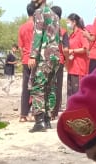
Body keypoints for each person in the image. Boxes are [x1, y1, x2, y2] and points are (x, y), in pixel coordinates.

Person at [27, 0, 62, 133]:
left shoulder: (39, 12)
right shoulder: (54, 14)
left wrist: (33, 55)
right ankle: (47, 120)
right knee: (50, 86)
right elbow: (57, 36)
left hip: (44, 54)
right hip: (55, 55)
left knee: (38, 86)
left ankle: (39, 121)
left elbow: (38, 34)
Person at [65, 13, 90, 100]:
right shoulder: (71, 35)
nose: (67, 24)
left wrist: (73, 51)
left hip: (79, 67)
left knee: (77, 92)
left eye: (68, 22)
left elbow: (85, 48)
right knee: (70, 92)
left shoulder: (81, 34)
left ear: (74, 22)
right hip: (71, 67)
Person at [18, 6, 35, 122]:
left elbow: (20, 47)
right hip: (36, 59)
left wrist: (23, 57)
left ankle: (23, 114)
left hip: (25, 59)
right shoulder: (38, 27)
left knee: (26, 87)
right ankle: (35, 113)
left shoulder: (22, 27)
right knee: (37, 86)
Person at [50, 5, 67, 118]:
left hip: (48, 60)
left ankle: (47, 110)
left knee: (47, 85)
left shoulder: (46, 29)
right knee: (58, 86)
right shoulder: (63, 31)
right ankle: (54, 112)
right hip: (59, 61)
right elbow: (65, 49)